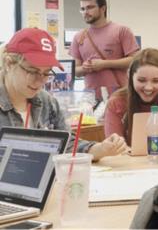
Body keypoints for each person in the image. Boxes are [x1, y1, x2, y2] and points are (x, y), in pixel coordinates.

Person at [0, 27, 127, 162]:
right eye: (32, 71)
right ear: (9, 63)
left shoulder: (46, 101)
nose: (40, 80)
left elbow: (66, 143)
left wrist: (100, 149)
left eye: (47, 72)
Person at [104, 48, 158, 145]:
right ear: (130, 76)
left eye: (156, 81)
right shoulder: (116, 102)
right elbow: (114, 147)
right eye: (141, 80)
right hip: (128, 159)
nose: (148, 88)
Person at [69, 0, 140, 100]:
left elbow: (135, 61)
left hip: (120, 96)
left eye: (90, 7)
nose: (85, 12)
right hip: (91, 98)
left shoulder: (121, 31)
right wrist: (85, 68)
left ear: (103, 8)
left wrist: (104, 64)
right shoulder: (79, 37)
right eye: (82, 9)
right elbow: (75, 71)